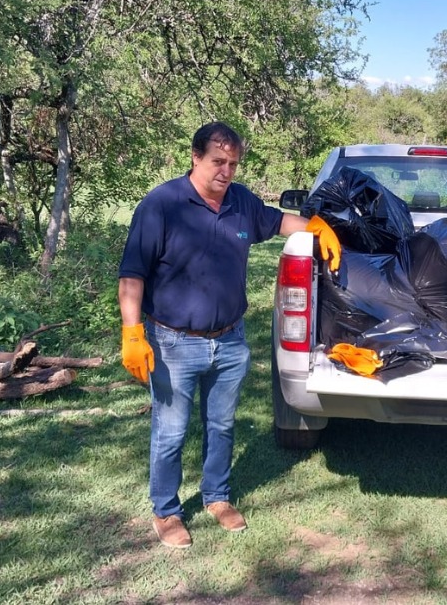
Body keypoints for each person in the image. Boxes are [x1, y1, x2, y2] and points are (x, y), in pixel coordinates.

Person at [117, 121, 340, 549]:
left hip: (230, 340)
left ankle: (217, 497)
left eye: (233, 164)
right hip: (173, 342)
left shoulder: (240, 201)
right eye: (218, 161)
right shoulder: (161, 205)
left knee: (220, 424)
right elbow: (132, 274)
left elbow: (278, 222)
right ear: (195, 157)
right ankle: (165, 510)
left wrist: (316, 227)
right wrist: (132, 332)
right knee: (171, 431)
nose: (226, 171)